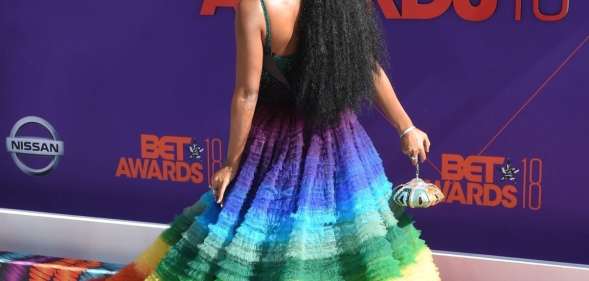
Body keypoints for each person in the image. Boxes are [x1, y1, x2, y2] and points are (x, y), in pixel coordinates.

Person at [92, 0, 440, 280]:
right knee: (355, 244)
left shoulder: (256, 7)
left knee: (255, 241)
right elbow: (369, 66)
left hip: (274, 146)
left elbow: (247, 94)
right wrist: (406, 127)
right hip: (341, 144)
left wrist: (232, 164)